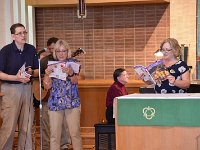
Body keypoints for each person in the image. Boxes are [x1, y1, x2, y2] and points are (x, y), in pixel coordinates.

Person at [0, 23, 39, 150]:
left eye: (24, 32)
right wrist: (16, 77)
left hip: (27, 88)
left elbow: (38, 71)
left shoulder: (31, 49)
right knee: (9, 127)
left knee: (27, 127)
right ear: (13, 36)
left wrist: (31, 72)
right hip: (10, 89)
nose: (23, 35)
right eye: (19, 33)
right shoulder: (5, 51)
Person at [43, 39, 82, 150]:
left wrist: (70, 73)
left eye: (63, 51)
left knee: (75, 134)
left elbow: (76, 81)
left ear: (67, 51)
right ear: (55, 52)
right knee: (55, 135)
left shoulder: (74, 63)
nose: (61, 53)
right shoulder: (51, 65)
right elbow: (47, 86)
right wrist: (47, 75)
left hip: (72, 102)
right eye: (58, 51)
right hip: (55, 103)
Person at [38, 37, 71, 150]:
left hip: (64, 98)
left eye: (55, 49)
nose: (54, 51)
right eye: (51, 49)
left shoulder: (67, 60)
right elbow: (38, 76)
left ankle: (64, 146)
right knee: (48, 124)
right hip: (48, 96)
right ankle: (47, 146)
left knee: (64, 124)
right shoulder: (45, 61)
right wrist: (45, 76)